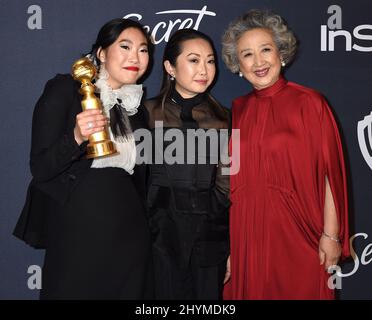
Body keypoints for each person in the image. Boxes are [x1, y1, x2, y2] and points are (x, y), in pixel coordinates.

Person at [13, 18, 154, 299]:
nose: (135, 57)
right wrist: (76, 137)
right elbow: (40, 168)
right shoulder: (65, 90)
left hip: (130, 236)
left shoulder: (138, 109)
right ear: (102, 53)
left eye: (143, 50)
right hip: (77, 232)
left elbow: (142, 182)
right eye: (124, 46)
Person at [221, 9, 350, 299]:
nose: (259, 62)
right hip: (247, 235)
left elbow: (331, 175)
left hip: (299, 232)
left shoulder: (310, 102)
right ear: (238, 64)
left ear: (281, 53)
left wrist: (331, 236)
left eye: (265, 49)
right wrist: (229, 247)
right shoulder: (237, 109)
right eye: (247, 54)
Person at [143, 29, 230, 299]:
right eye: (193, 60)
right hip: (156, 240)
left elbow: (228, 187)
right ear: (170, 66)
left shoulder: (226, 120)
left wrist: (230, 249)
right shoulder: (144, 114)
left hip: (209, 242)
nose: (204, 69)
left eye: (210, 60)